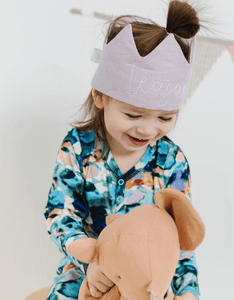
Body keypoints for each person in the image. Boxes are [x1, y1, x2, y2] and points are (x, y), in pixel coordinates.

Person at [44, 1, 206, 299]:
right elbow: (60, 213)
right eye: (133, 115)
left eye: (165, 118)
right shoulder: (77, 147)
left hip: (149, 283)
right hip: (87, 270)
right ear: (100, 97)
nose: (147, 129)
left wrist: (189, 292)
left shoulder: (172, 161)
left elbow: (181, 239)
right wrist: (90, 261)